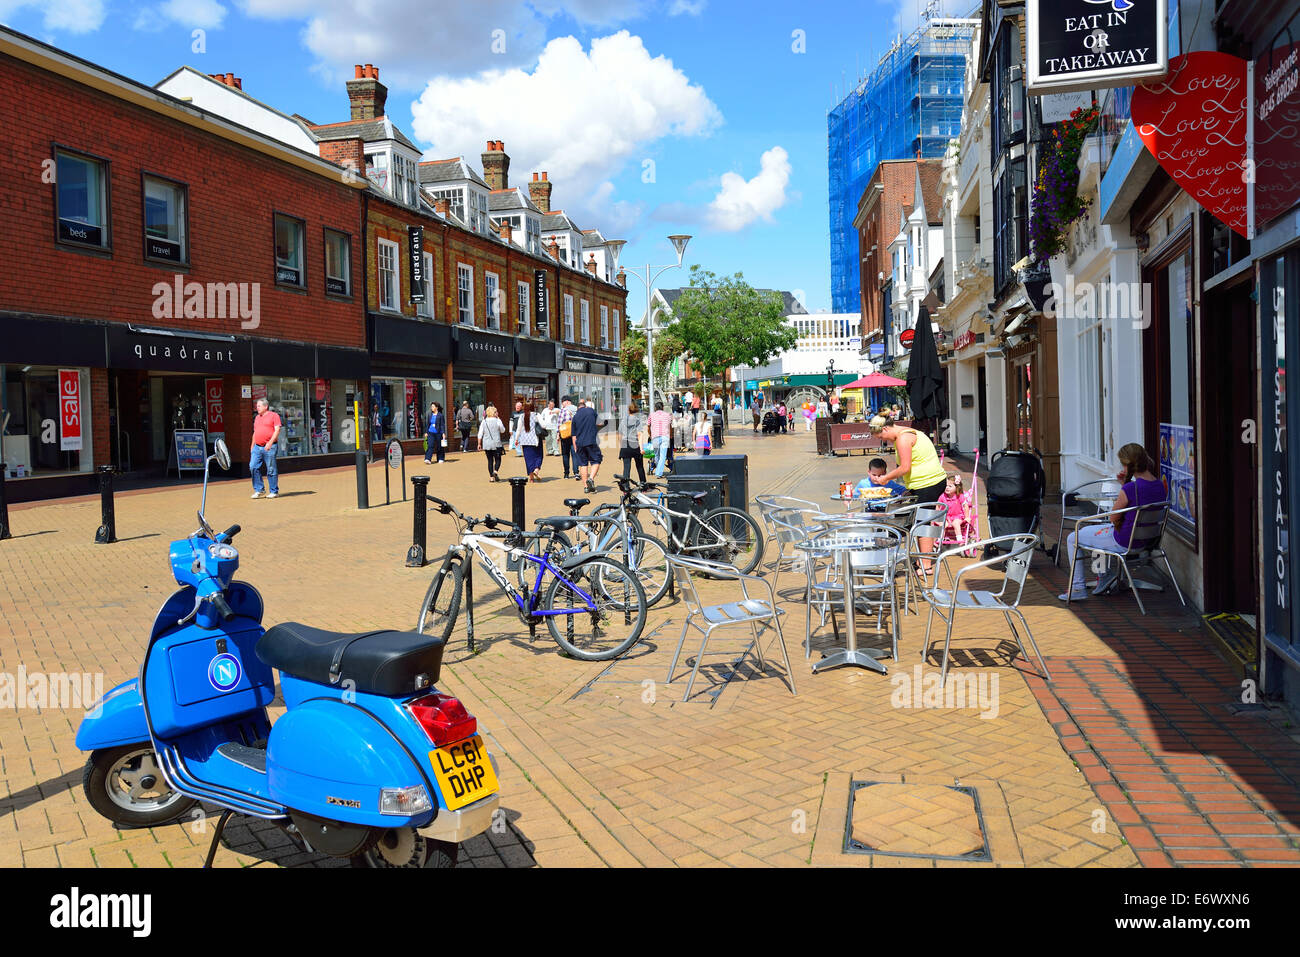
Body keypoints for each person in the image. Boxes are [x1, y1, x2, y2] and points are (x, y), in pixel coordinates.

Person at [1060, 443, 1168, 601]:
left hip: (1124, 541)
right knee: (1095, 534)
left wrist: (1124, 486)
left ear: (1126, 465)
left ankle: (1078, 587)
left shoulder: (1131, 488)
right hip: (1148, 541)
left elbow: (1113, 517)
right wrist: (1125, 484)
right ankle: (1104, 577)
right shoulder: (1159, 485)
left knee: (1073, 537)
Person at [866, 415, 949, 570]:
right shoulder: (908, 433)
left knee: (921, 522)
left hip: (928, 483)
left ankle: (925, 565)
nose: (885, 441)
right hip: (925, 484)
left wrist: (885, 479)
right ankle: (922, 562)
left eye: (882, 436)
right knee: (921, 520)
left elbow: (905, 468)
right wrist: (909, 491)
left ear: (885, 428)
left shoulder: (903, 439)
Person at [249, 397, 281, 499]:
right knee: (253, 466)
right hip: (257, 447)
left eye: (259, 406)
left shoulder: (274, 416)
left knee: (271, 469)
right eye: (256, 406)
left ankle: (274, 491)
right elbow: (255, 432)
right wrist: (252, 446)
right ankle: (259, 490)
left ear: (265, 406)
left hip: (269, 447)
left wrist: (270, 443)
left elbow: (277, 430)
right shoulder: (257, 417)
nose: (257, 408)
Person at [571, 398, 604, 493]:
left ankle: (586, 487)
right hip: (591, 442)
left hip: (580, 444)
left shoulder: (575, 417)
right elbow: (600, 422)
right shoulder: (590, 411)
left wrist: (575, 448)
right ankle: (591, 478)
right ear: (585, 405)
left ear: (578, 408)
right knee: (596, 460)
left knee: (583, 464)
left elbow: (574, 436)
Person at [619, 400, 648, 484]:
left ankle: (626, 487)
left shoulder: (623, 420)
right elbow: (640, 435)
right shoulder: (637, 420)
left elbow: (620, 434)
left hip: (625, 444)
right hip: (635, 444)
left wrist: (622, 444)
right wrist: (641, 448)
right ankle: (643, 485)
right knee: (639, 467)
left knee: (626, 468)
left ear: (628, 410)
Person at [938, 473, 971, 543]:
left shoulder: (960, 496)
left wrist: (967, 517)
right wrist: (937, 516)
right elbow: (937, 505)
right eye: (946, 486)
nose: (947, 488)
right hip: (946, 517)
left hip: (958, 516)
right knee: (942, 524)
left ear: (957, 488)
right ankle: (940, 539)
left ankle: (959, 540)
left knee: (956, 523)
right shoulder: (943, 496)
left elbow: (965, 506)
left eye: (950, 486)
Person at [478, 404, 505, 481]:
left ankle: (491, 477)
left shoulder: (484, 421)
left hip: (486, 444)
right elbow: (503, 430)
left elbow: (480, 433)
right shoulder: (498, 420)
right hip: (496, 443)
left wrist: (479, 444)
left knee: (490, 460)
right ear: (493, 413)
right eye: (496, 412)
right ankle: (495, 471)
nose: (497, 413)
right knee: (498, 459)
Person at [517, 405, 543, 482]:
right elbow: (544, 425)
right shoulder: (536, 415)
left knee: (528, 459)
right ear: (533, 407)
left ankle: (531, 478)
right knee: (539, 456)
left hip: (524, 441)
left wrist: (516, 439)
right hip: (535, 440)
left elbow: (518, 429)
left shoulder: (521, 416)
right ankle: (536, 470)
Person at [648, 400, 673, 477]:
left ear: (655, 408)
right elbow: (670, 426)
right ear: (662, 407)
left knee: (656, 455)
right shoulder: (668, 415)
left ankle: (658, 472)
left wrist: (650, 434)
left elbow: (648, 426)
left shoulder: (651, 415)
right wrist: (671, 434)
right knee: (663, 456)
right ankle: (658, 472)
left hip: (655, 436)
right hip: (665, 436)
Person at [557, 396, 577, 478]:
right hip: (574, 435)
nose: (562, 404)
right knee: (575, 454)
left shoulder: (563, 410)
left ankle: (566, 473)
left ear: (567, 402)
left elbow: (559, 423)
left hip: (564, 435)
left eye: (563, 402)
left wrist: (558, 435)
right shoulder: (576, 409)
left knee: (565, 454)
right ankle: (576, 472)